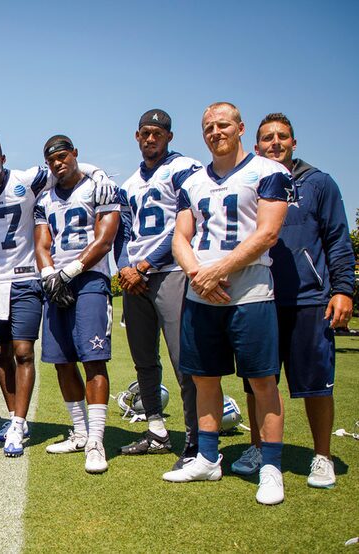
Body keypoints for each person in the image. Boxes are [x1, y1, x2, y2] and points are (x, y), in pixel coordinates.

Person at [164, 102, 292, 506]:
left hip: (249, 289)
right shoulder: (193, 181)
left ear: (240, 128)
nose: (215, 132)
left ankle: (271, 467)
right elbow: (180, 238)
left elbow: (268, 233)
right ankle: (207, 456)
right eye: (207, 127)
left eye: (222, 125)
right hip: (201, 290)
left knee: (261, 381)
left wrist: (217, 271)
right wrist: (197, 274)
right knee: (204, 377)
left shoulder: (270, 172)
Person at [0, 134, 115, 457]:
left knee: (23, 351)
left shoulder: (27, 180)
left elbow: (63, 167)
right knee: (1, 353)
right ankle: (17, 419)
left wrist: (97, 172)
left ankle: (24, 422)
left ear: (3, 158)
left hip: (28, 279)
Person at [229, 113, 354, 489]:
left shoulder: (319, 183)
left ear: (294, 143)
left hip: (307, 299)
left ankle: (321, 456)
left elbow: (337, 239)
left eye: (282, 137)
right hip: (257, 296)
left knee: (316, 383)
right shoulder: (248, 181)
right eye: (268, 138)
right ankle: (256, 448)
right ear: (256, 145)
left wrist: (343, 289)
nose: (275, 143)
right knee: (256, 383)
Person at [114, 110, 202, 469]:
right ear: (136, 136)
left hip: (169, 272)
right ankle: (156, 430)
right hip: (134, 280)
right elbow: (123, 232)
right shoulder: (130, 182)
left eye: (158, 133)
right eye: (145, 133)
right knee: (144, 360)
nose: (151, 139)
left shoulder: (184, 167)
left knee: (185, 360)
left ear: (169, 136)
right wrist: (123, 268)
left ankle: (198, 439)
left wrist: (144, 265)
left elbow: (186, 223)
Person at [34, 135, 120, 474]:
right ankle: (80, 432)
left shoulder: (99, 187)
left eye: (63, 155)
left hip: (89, 279)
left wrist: (68, 271)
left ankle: (97, 439)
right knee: (61, 360)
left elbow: (105, 238)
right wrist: (49, 274)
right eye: (51, 159)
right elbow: (42, 243)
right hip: (57, 282)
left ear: (75, 155)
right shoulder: (45, 198)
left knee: (93, 359)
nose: (58, 163)